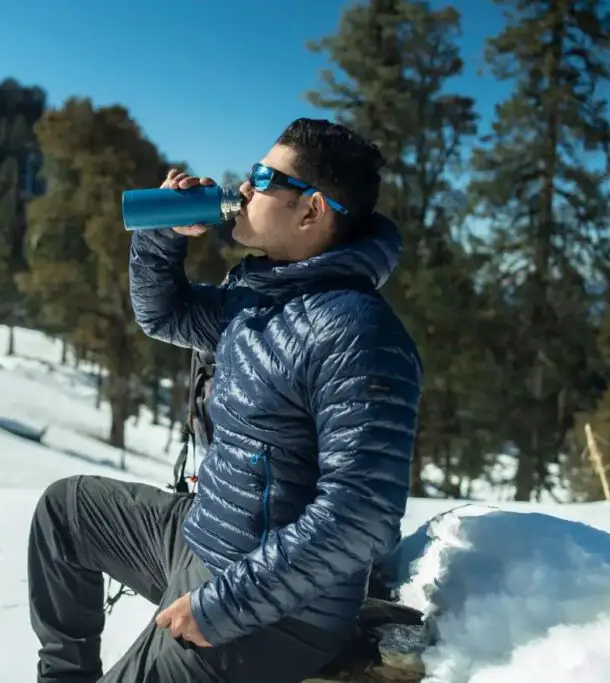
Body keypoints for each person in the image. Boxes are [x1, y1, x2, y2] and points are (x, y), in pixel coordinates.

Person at [27, 118, 423, 682]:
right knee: (66, 512)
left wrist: (224, 606)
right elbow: (163, 314)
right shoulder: (259, 298)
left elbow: (361, 516)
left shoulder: (356, 333)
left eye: (264, 178)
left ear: (312, 211)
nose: (243, 187)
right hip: (205, 535)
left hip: (274, 613)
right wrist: (163, 236)